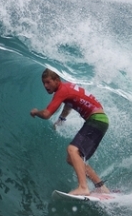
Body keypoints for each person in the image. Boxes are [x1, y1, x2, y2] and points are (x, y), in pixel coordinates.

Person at [30, 68, 110, 196]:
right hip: (100, 121)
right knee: (72, 158)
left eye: (48, 82)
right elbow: (69, 105)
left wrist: (35, 112)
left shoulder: (61, 91)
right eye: (43, 83)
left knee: (72, 150)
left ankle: (83, 187)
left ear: (57, 80)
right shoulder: (68, 89)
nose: (45, 86)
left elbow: (46, 114)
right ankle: (101, 187)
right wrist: (61, 120)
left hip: (96, 120)